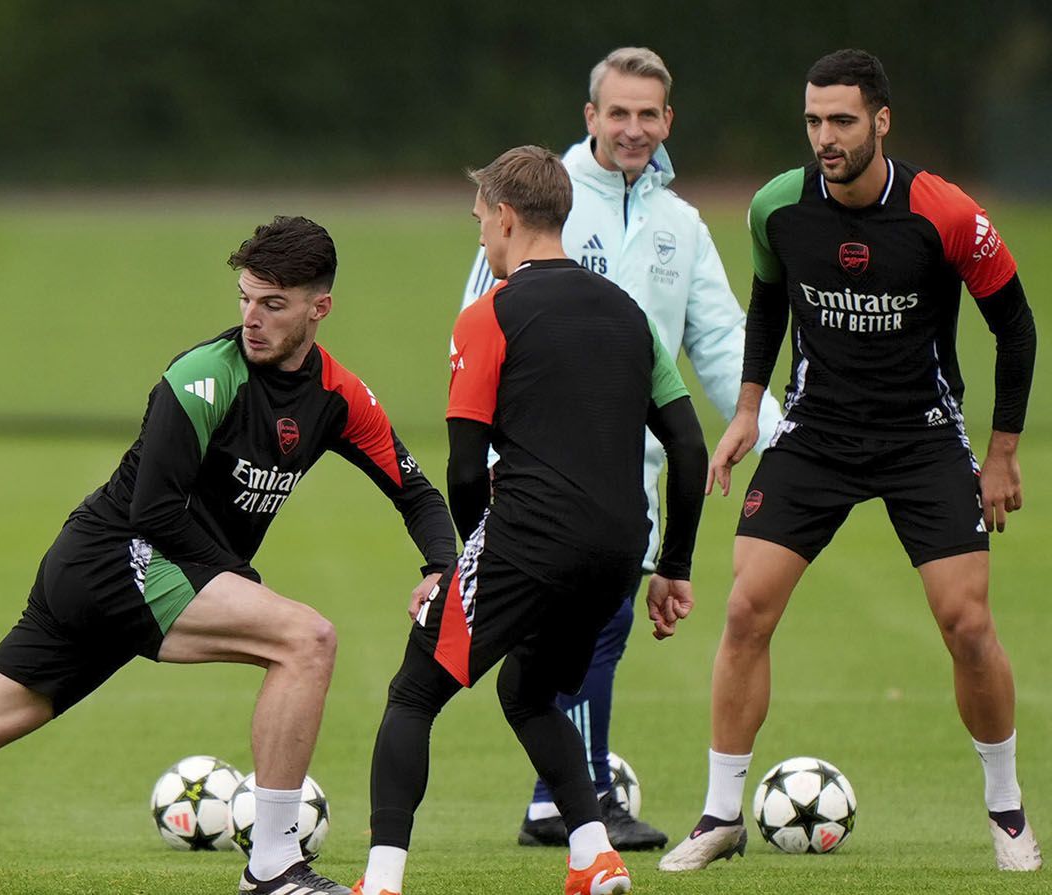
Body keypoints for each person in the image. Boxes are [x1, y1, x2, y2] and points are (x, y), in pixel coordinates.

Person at [0, 215, 455, 895]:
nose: (252, 319)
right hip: (117, 557)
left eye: (274, 304)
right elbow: (154, 511)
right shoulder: (202, 378)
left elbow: (415, 489)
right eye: (245, 298)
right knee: (307, 638)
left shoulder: (338, 395)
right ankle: (272, 865)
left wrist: (437, 563)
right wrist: (239, 577)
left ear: (319, 307)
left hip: (132, 575)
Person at [659, 48, 1041, 874]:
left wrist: (1002, 450)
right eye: (813, 121)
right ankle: (721, 814)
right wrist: (751, 405)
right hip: (816, 436)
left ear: (881, 121)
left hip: (924, 436)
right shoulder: (778, 207)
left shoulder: (944, 213)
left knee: (967, 625)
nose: (825, 138)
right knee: (744, 611)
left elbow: (1016, 326)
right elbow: (769, 301)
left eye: (841, 120)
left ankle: (1008, 811)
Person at [459, 47, 784, 852]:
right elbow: (482, 313)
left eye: (649, 114)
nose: (633, 128)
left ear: (667, 121)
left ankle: (568, 793)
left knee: (599, 633)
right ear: (591, 117)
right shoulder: (543, 204)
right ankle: (569, 797)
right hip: (546, 467)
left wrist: (778, 430)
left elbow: (718, 337)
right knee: (582, 633)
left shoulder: (680, 224)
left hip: (637, 470)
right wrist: (496, 458)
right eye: (619, 113)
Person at [359, 146, 707, 895]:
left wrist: (471, 562)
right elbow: (687, 444)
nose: (480, 235)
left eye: (481, 220)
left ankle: (381, 881)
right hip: (619, 551)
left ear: (507, 217)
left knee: (414, 692)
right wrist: (672, 562)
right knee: (529, 691)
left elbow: (461, 466)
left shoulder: (489, 314)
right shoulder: (630, 314)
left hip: (531, 538)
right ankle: (593, 855)